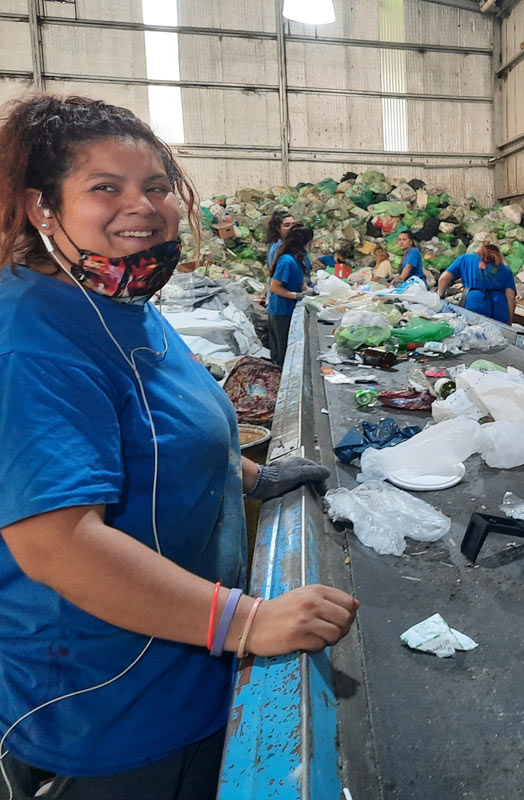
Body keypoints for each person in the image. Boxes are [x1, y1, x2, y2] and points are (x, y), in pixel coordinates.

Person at [0, 94, 356, 800]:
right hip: (111, 707)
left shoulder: (122, 306)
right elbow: (57, 542)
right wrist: (249, 619)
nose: (144, 205)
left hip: (187, 663)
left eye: (156, 186)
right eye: (106, 187)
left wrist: (250, 475)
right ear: (43, 208)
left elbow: (166, 434)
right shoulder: (30, 341)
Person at [266, 224, 313, 365]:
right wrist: (296, 296)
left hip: (289, 310)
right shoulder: (287, 260)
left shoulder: (297, 259)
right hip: (281, 311)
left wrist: (308, 291)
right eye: (310, 242)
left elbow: (297, 281)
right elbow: (275, 287)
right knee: (282, 355)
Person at [437, 243, 516, 324]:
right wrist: (509, 322)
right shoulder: (505, 269)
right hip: (500, 310)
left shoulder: (466, 259)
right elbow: (511, 297)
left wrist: (440, 295)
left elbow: (444, 279)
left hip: (475, 305)